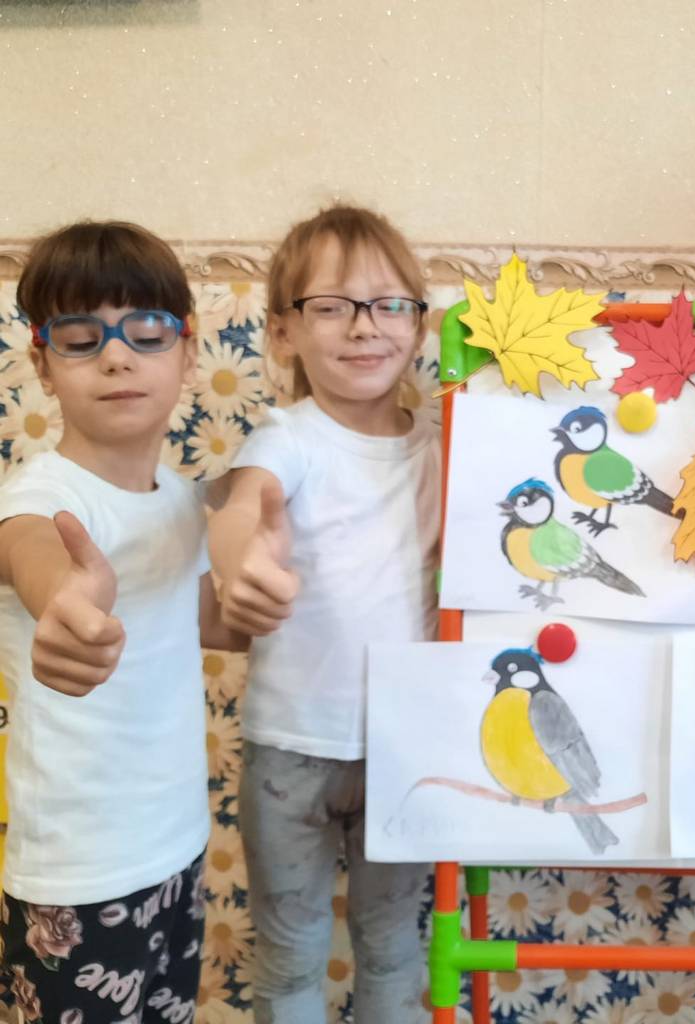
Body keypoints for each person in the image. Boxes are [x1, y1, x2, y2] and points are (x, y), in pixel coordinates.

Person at [0, 220, 244, 1022]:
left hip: (177, 845)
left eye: (146, 331)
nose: (116, 356)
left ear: (187, 350)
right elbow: (39, 559)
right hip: (78, 877)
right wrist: (68, 608)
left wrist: (268, 595)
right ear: (42, 363)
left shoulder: (178, 497)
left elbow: (209, 621)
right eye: (81, 338)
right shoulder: (40, 500)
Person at [208, 205, 439, 1022]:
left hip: (407, 744)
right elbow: (245, 505)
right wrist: (240, 561)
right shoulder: (288, 437)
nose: (364, 327)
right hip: (290, 749)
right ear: (283, 333)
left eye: (388, 305)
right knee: (289, 957)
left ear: (418, 324)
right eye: (332, 306)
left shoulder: (445, 443)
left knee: (393, 947)